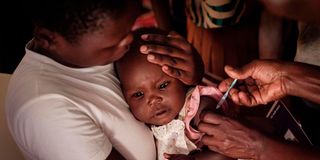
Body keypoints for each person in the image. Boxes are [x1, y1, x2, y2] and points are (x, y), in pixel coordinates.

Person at [5, 1, 204, 160]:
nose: (129, 41)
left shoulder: (86, 52)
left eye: (130, 27)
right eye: (113, 44)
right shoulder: (46, 112)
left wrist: (190, 77)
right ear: (48, 38)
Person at [116, 27, 234, 160]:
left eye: (163, 85)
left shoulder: (196, 109)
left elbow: (228, 149)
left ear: (182, 78)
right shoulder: (144, 128)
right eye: (138, 95)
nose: (153, 99)